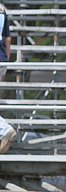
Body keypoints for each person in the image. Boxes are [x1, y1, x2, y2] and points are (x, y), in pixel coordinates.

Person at [0, 3, 14, 154]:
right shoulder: (2, 9)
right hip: (2, 58)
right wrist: (5, 60)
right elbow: (8, 38)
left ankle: (4, 129)